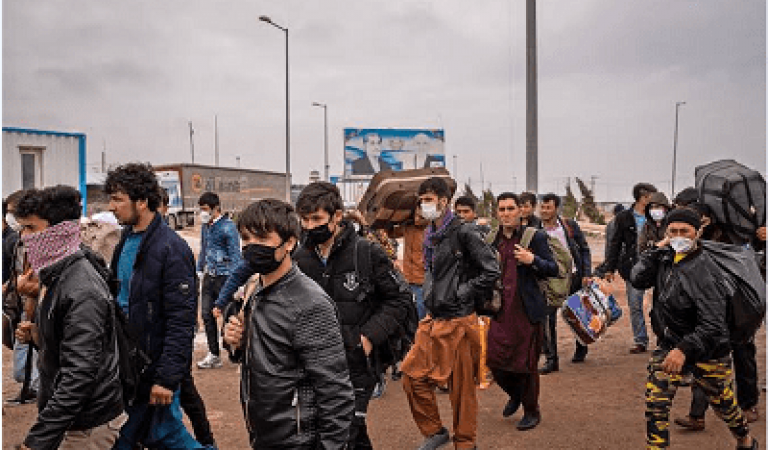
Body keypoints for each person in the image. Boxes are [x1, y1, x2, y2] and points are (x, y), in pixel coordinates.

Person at [222, 199, 355, 449]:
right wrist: (237, 343)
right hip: (263, 435)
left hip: (298, 441)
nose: (252, 246)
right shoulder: (254, 288)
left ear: (290, 243)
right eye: (246, 238)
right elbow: (265, 357)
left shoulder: (310, 304)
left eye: (262, 238)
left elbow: (336, 393)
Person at [293, 182, 412, 450]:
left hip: (357, 363)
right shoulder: (299, 258)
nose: (310, 226)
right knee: (342, 434)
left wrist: (367, 338)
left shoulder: (366, 253)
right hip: (315, 364)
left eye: (317, 219)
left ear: (337, 216)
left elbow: (399, 299)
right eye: (305, 220)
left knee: (344, 430)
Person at [630, 208, 758, 450]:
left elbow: (713, 323)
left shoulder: (707, 270)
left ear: (697, 232)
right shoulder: (665, 258)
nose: (679, 236)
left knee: (724, 405)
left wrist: (684, 349)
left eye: (685, 231)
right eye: (673, 231)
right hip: (670, 343)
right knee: (656, 404)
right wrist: (655, 250)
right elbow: (637, 279)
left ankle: (745, 439)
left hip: (709, 350)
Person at [13, 186, 125, 449]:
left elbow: (79, 375)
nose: (24, 238)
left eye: (31, 228)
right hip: (71, 420)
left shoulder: (81, 289)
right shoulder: (55, 275)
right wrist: (38, 334)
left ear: (59, 231)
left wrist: (38, 441)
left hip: (87, 426)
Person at [106, 163, 204, 449]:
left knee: (165, 437)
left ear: (142, 202)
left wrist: (167, 378)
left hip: (154, 370)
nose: (111, 207)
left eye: (118, 199)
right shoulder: (126, 240)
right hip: (130, 368)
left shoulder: (171, 248)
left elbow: (181, 319)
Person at [401, 177, 500, 450]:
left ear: (444, 201)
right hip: (433, 318)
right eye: (422, 200)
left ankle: (466, 443)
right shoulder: (430, 235)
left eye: (429, 200)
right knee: (412, 376)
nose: (424, 205)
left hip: (460, 320)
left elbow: (491, 270)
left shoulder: (464, 232)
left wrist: (461, 292)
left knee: (462, 391)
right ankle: (435, 431)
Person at [675, 204, 762, 430]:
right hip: (709, 311)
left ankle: (748, 405)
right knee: (703, 359)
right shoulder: (689, 241)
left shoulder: (733, 233)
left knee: (743, 357)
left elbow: (750, 260)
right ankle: (697, 415)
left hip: (737, 309)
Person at [485, 192, 558, 431]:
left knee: (525, 365)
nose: (506, 214)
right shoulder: (491, 239)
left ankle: (531, 411)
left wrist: (532, 259)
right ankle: (516, 394)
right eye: (502, 209)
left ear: (520, 211)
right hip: (500, 311)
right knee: (494, 362)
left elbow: (553, 269)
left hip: (526, 312)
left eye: (510, 209)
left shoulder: (534, 237)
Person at [158, 189, 217, 447]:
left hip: (173, 336)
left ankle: (206, 441)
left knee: (187, 394)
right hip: (157, 337)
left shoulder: (172, 245)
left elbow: (183, 296)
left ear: (163, 207)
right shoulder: (136, 241)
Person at [537, 193, 592, 371]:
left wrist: (586, 273)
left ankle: (581, 346)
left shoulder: (569, 226)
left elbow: (584, 249)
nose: (544, 211)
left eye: (548, 207)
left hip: (573, 277)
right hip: (549, 280)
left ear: (556, 209)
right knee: (548, 319)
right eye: (542, 207)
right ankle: (551, 359)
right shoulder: (534, 229)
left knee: (577, 314)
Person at [603, 182, 657, 354]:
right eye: (652, 196)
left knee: (661, 305)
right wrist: (610, 268)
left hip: (656, 266)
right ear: (643, 197)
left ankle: (664, 340)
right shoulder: (624, 218)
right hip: (633, 268)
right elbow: (615, 243)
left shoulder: (657, 215)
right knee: (635, 305)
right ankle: (640, 340)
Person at [196, 192, 242, 370]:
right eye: (201, 209)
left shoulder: (228, 228)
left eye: (205, 209)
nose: (203, 213)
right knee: (206, 315)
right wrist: (199, 270)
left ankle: (236, 352)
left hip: (225, 278)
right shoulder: (205, 227)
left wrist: (238, 282)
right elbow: (203, 249)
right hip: (210, 276)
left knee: (229, 316)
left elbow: (235, 255)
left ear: (216, 209)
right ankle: (214, 354)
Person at [3, 190, 40, 406]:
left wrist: (28, 289)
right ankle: (31, 389)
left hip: (37, 310)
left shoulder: (42, 243)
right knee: (21, 367)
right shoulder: (18, 242)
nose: (10, 217)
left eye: (12, 212)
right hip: (23, 308)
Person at [391, 206, 429, 320]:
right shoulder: (408, 227)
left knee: (421, 309)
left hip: (423, 278)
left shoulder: (430, 229)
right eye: (415, 215)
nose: (417, 219)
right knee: (410, 308)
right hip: (408, 277)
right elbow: (392, 233)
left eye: (420, 216)